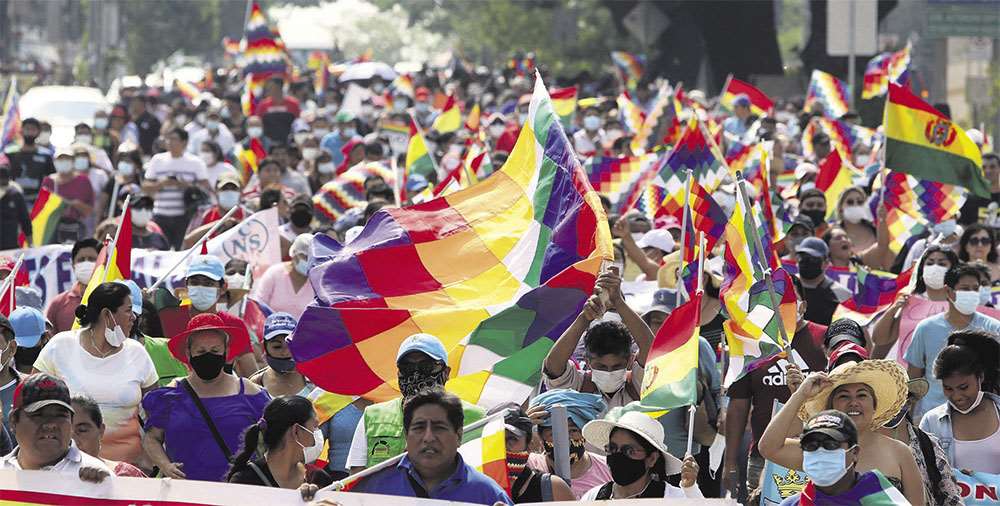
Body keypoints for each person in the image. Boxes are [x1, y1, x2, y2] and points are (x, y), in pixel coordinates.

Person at [758, 359, 924, 505]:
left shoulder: (900, 452)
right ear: (831, 408)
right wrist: (800, 395)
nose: (854, 402)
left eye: (862, 395)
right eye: (844, 396)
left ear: (874, 406)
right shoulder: (817, 451)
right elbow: (768, 447)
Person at [723, 276, 828, 498]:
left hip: (820, 453)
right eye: (776, 300)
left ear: (804, 305)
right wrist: (730, 463)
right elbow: (738, 407)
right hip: (765, 455)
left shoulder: (826, 338)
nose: (783, 306)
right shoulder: (752, 345)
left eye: (791, 300)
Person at [33, 282, 157, 464]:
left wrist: (149, 459)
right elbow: (31, 398)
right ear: (107, 315)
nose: (134, 318)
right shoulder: (60, 346)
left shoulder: (137, 352)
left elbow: (157, 414)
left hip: (128, 470)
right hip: (66, 467)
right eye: (129, 310)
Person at [142, 313, 271, 482]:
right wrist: (165, 466)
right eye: (201, 351)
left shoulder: (250, 393)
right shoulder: (169, 395)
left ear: (226, 350)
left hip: (238, 494)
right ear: (188, 353)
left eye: (215, 350)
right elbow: (152, 438)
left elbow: (278, 438)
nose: (208, 356)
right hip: (184, 494)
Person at [347, 333, 486, 472]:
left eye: (426, 366)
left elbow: (486, 471)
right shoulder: (372, 416)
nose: (416, 374)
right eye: (407, 367)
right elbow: (356, 477)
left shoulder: (476, 417)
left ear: (446, 372)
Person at [349, 388, 512, 505]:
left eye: (439, 427)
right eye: (419, 427)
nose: (428, 437)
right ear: (407, 435)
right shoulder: (373, 489)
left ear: (459, 435)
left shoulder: (488, 495)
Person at [542, 270, 654, 410]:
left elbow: (651, 350)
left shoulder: (638, 384)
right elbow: (553, 366)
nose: (609, 373)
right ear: (588, 362)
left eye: (616, 366)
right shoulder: (577, 386)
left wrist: (618, 302)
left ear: (630, 361)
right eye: (601, 367)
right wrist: (585, 317)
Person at [906, 264, 1000, 422]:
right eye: (964, 288)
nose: (970, 293)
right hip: (933, 417)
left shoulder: (994, 328)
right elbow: (914, 379)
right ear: (948, 291)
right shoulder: (926, 328)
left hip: (981, 417)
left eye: (975, 288)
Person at [778, 410, 909, 505]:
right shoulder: (793, 504)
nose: (820, 452)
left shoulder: (883, 501)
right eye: (811, 446)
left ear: (855, 452)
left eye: (831, 444)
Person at [0, 373, 111, 483]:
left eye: (60, 416)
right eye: (38, 415)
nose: (50, 424)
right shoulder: (2, 474)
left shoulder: (99, 480)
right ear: (13, 421)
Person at [920, 331, 1000, 474]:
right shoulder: (931, 422)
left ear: (980, 377)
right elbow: (923, 475)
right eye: (948, 388)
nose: (957, 396)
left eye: (964, 387)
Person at [226, 395, 331, 500]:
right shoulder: (245, 481)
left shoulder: (318, 479)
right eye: (315, 426)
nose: (318, 433)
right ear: (296, 431)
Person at [879, 377, 964, 506]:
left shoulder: (928, 443)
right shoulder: (860, 445)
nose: (892, 405)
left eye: (898, 398)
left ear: (908, 402)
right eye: (886, 398)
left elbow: (951, 498)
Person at [581, 411, 702, 499]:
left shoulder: (671, 498)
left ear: (652, 458)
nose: (618, 456)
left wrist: (690, 489)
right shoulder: (594, 497)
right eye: (612, 448)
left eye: (629, 451)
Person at [871, 245, 959, 360]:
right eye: (930, 263)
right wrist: (894, 309)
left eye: (942, 264)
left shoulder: (960, 305)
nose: (935, 267)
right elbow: (879, 339)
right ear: (922, 270)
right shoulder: (908, 302)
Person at [180, 255, 257, 377]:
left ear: (223, 288)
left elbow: (252, 374)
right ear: (186, 285)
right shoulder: (168, 317)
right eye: (194, 282)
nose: (201, 288)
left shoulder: (235, 325)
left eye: (208, 283)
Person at [525, 389, 611, 499]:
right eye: (554, 433)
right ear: (541, 437)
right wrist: (523, 428)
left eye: (573, 431)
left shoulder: (607, 469)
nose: (565, 440)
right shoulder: (529, 466)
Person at [142, 127, 211, 249]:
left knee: (182, 251)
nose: (169, 142)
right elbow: (145, 187)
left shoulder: (195, 162)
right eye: (167, 138)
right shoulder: (157, 160)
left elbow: (205, 188)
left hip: (185, 217)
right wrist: (162, 184)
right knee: (159, 251)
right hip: (160, 215)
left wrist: (184, 185)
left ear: (184, 142)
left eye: (173, 139)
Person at [500, 408, 575, 502]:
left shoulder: (553, 488)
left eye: (511, 439)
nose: (503, 446)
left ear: (529, 446)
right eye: (496, 439)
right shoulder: (478, 484)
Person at [70, 396, 146, 477]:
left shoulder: (126, 475)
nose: (73, 441)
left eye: (82, 430)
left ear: (101, 431)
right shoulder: (55, 479)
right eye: (65, 432)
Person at [254, 234, 316, 320]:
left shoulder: (316, 283)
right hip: (271, 330)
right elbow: (258, 305)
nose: (309, 262)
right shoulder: (274, 273)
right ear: (294, 253)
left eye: (312, 258)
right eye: (305, 257)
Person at [250, 313, 312, 398]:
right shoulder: (255, 385)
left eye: (290, 345)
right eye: (277, 347)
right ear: (264, 347)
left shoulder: (316, 381)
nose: (285, 352)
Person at [46, 238, 99, 333]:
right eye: (81, 260)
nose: (86, 263)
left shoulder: (111, 301)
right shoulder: (58, 304)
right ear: (73, 265)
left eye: (91, 259)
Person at [183, 171, 249, 246]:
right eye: (225, 189)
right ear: (216, 191)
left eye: (234, 189)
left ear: (241, 192)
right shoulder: (203, 214)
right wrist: (219, 223)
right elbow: (188, 241)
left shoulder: (248, 216)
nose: (229, 192)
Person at [40, 150, 94, 242]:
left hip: (75, 228)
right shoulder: (49, 181)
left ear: (73, 161)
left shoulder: (83, 181)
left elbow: (88, 211)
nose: (63, 162)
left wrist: (72, 204)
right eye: (60, 160)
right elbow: (42, 208)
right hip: (52, 229)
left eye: (66, 159)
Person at [795, 237, 849, 325]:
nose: (807, 262)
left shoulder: (842, 295)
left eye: (813, 259)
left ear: (826, 263)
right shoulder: (787, 287)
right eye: (803, 257)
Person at [7, 117, 55, 209]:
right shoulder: (10, 153)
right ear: (21, 131)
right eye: (27, 129)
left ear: (38, 132)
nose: (30, 132)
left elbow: (52, 179)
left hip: (36, 201)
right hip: (13, 200)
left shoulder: (46, 155)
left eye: (33, 129)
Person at [254, 77, 301, 146]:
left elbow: (298, 122)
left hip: (288, 139)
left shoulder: (293, 103)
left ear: (279, 87)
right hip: (268, 141)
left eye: (271, 87)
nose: (268, 89)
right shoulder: (263, 105)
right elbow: (258, 122)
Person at [0, 161, 32, 249]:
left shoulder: (15, 195)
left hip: (10, 246)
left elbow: (25, 220)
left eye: (4, 182)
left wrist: (30, 243)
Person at [10, 306, 50, 376]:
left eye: (29, 343)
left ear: (45, 338)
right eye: (19, 345)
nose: (24, 347)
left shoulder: (56, 371)